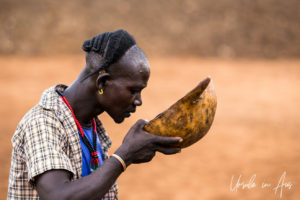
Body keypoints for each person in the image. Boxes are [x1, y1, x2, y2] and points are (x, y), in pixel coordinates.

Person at [7, 30, 182, 200]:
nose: (138, 101)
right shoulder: (43, 122)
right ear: (102, 83)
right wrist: (124, 156)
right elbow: (56, 196)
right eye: (133, 90)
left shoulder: (90, 127)